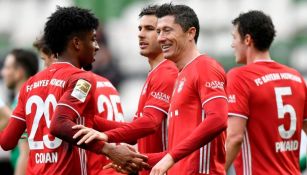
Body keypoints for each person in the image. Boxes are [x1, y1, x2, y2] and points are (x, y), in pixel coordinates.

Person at [0, 6, 147, 175]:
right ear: (77, 43)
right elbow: (59, 124)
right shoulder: (81, 79)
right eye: (92, 39)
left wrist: (129, 132)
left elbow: (6, 141)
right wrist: (110, 150)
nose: (97, 46)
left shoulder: (30, 84)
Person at [73, 5, 178, 175]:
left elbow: (150, 123)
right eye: (140, 28)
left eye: (150, 29)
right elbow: (134, 132)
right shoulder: (155, 74)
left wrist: (107, 136)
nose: (141, 34)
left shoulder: (166, 72)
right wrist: (89, 120)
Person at [144, 3, 227, 175]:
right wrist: (138, 160)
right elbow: (179, 150)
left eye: (167, 30)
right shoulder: (181, 74)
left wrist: (170, 158)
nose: (160, 38)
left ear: (191, 33)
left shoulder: (205, 67)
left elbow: (218, 118)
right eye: (158, 31)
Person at [225, 10, 307, 175]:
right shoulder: (296, 77)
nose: (232, 44)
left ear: (247, 40)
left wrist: (216, 171)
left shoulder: (240, 76)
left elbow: (234, 137)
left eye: (234, 38)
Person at [34, 35, 127, 175]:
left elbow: (65, 128)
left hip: (96, 169)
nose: (45, 68)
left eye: (44, 60)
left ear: (56, 56)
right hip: (116, 168)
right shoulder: (106, 83)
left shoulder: (77, 87)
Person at [1, 49, 39, 175]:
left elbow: (26, 153)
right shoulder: (20, 101)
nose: (3, 72)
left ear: (19, 72)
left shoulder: (23, 104)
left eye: (7, 68)